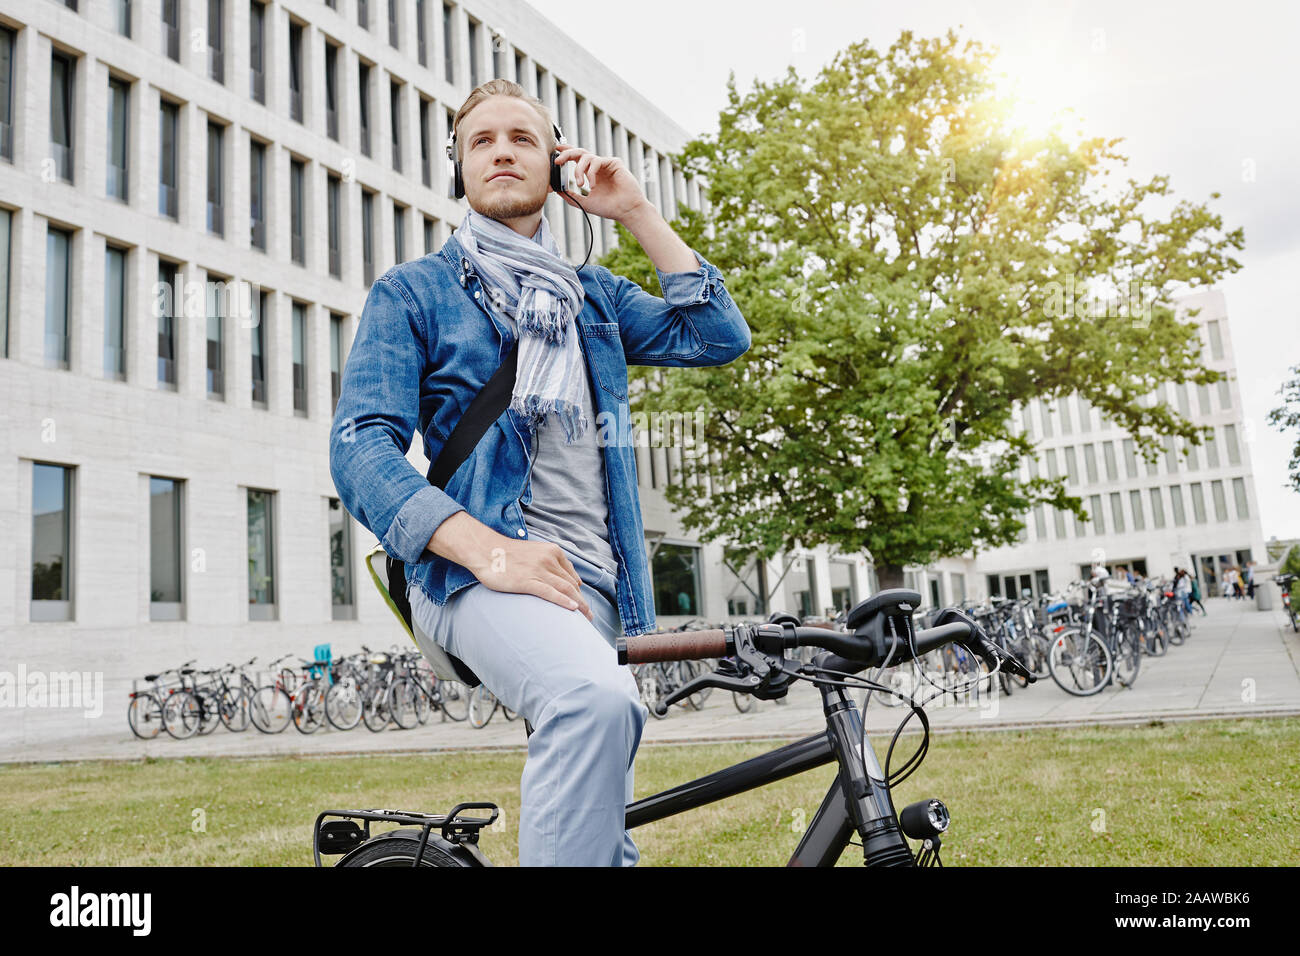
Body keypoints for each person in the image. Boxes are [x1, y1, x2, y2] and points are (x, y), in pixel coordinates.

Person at [329, 80, 751, 866]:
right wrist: (491, 551)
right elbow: (359, 448)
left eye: (522, 138)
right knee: (591, 704)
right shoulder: (413, 292)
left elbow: (717, 335)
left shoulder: (593, 298)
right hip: (475, 576)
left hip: (595, 583)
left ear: (555, 166)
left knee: (602, 839)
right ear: (457, 165)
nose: (500, 151)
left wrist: (635, 212)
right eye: (480, 139)